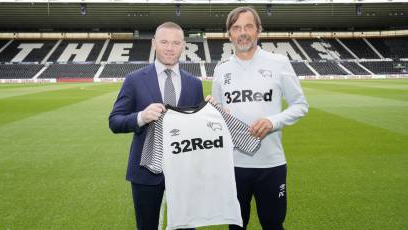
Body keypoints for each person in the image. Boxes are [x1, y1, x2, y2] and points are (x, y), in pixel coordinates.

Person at [211, 6, 309, 230]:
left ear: (258, 31)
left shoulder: (279, 62)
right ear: (229, 34)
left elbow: (301, 105)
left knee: (273, 225)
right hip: (234, 165)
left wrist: (273, 122)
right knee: (236, 225)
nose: (242, 32)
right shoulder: (221, 69)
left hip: (271, 164)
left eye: (248, 27)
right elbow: (219, 116)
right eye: (236, 28)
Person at [109, 22, 203, 230]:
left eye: (176, 43)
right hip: (145, 172)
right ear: (154, 44)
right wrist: (141, 117)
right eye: (164, 42)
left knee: (187, 227)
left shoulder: (194, 83)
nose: (170, 48)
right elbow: (114, 121)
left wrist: (211, 113)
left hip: (183, 171)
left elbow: (198, 127)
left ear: (183, 46)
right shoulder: (134, 80)